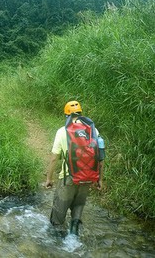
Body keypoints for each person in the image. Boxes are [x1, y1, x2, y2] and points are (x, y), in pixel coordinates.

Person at [44, 100, 104, 236]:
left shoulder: (62, 131)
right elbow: (100, 158)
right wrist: (100, 179)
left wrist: (49, 179)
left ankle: (58, 248)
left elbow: (54, 158)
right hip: (87, 179)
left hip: (68, 179)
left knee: (57, 219)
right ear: (81, 114)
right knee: (77, 215)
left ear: (67, 116)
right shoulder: (93, 130)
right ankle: (74, 242)